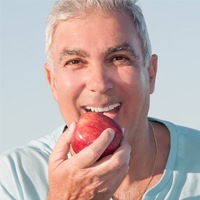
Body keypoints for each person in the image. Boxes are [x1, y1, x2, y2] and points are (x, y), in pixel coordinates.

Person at [0, 0, 200, 199]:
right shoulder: (13, 177)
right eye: (75, 61)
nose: (99, 83)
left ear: (151, 74)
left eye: (118, 58)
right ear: (52, 82)